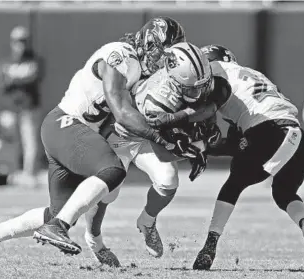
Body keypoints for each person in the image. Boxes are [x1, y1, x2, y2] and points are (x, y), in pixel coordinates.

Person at [0, 17, 200, 268]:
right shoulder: (120, 55)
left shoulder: (142, 73)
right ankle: (58, 227)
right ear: (148, 43)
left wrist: (177, 134)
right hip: (65, 124)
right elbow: (122, 112)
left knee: (58, 210)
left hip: (73, 132)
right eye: (161, 52)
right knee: (113, 170)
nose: (162, 61)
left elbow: (127, 119)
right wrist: (161, 138)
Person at [146, 44, 304, 269]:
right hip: (295, 134)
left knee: (233, 184)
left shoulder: (214, 73)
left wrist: (189, 136)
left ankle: (209, 245)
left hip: (267, 129)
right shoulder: (253, 76)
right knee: (284, 192)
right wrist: (205, 146)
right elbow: (237, 144)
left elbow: (220, 124)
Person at [84, 42, 218, 266]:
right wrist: (198, 146)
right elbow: (166, 146)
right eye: (193, 88)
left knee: (168, 180)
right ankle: (94, 240)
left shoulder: (183, 79)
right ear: (174, 81)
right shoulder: (158, 101)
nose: (199, 92)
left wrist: (196, 123)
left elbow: (206, 105)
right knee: (109, 191)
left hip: (147, 136)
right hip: (121, 136)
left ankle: (147, 221)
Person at [0, 26, 44, 186]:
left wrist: (13, 79)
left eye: (23, 41)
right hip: (10, 108)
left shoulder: (35, 60)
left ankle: (29, 175)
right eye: (17, 41)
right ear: (12, 42)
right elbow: (1, 84)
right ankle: (13, 175)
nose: (20, 44)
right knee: (11, 143)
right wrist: (20, 78)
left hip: (29, 108)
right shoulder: (5, 62)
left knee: (30, 142)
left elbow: (34, 78)